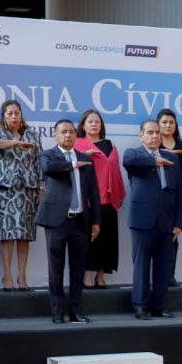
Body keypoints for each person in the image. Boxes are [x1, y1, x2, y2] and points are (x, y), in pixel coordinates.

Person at [37, 119, 101, 324]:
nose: (68, 135)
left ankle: (75, 311)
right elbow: (48, 168)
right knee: (55, 270)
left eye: (71, 132)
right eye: (63, 132)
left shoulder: (85, 158)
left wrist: (96, 221)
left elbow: (94, 193)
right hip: (57, 221)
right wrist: (73, 164)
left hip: (80, 221)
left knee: (78, 269)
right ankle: (57, 312)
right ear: (55, 135)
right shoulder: (49, 155)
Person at [123, 120, 182, 319]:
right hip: (142, 220)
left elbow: (179, 193)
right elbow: (129, 162)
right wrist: (154, 160)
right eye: (149, 132)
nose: (154, 136)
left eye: (157, 133)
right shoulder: (134, 154)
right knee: (141, 265)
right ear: (141, 136)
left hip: (166, 221)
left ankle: (158, 305)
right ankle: (140, 305)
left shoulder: (171, 158)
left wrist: (179, 222)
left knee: (163, 266)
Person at [0, 101, 41, 292]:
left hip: (27, 189)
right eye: (10, 113)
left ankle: (22, 275)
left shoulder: (32, 134)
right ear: (4, 116)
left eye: (17, 113)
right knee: (7, 234)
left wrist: (41, 187)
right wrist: (17, 143)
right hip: (4, 190)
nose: (14, 116)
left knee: (24, 234)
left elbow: (39, 161)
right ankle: (7, 273)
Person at [76, 109, 125, 289]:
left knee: (108, 237)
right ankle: (87, 272)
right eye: (90, 121)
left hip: (108, 198)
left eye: (97, 121)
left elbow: (116, 170)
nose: (94, 124)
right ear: (83, 125)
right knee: (89, 237)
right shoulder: (78, 144)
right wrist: (84, 156)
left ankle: (101, 274)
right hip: (88, 198)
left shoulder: (110, 144)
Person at [158, 108, 182, 287]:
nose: (168, 125)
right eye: (164, 122)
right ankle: (158, 276)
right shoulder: (154, 143)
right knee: (158, 237)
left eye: (171, 122)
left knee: (174, 236)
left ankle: (170, 275)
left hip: (179, 197)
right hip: (159, 197)